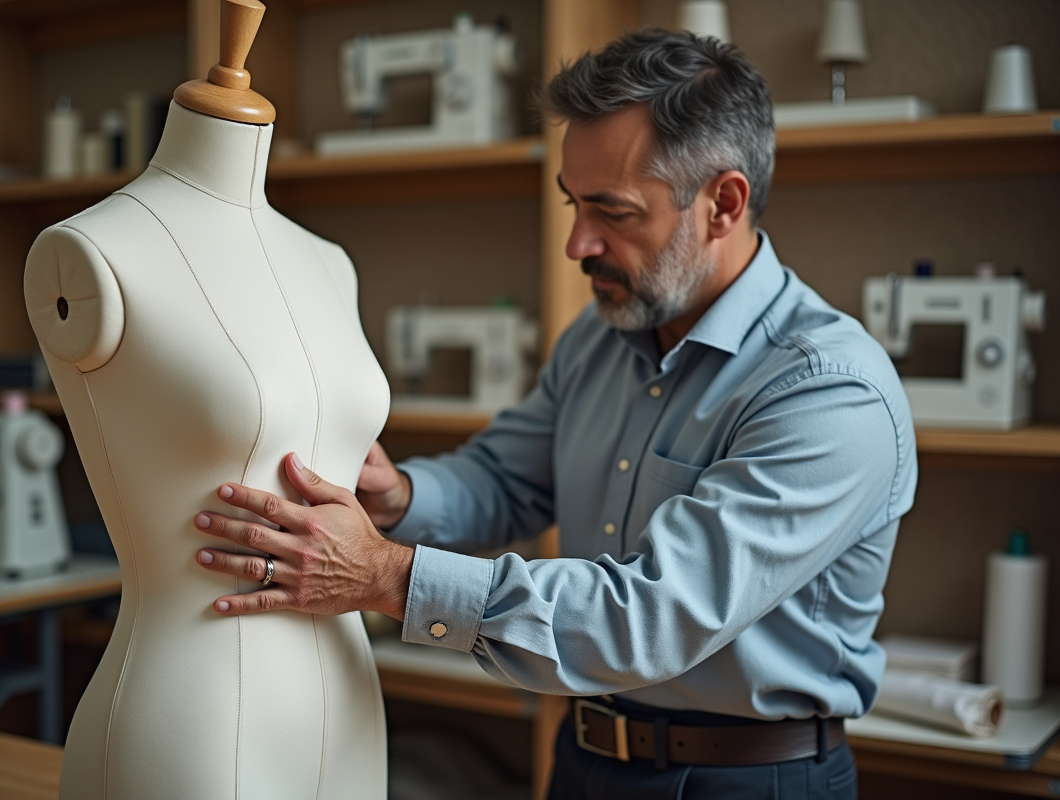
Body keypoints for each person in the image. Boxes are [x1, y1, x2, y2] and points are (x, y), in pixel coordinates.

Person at [191, 29, 916, 799]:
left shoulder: (829, 393)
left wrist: (385, 576)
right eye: (574, 204)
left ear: (723, 203)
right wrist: (398, 497)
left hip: (749, 779)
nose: (578, 243)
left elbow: (653, 616)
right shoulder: (601, 339)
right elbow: (505, 479)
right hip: (583, 757)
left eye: (613, 212)